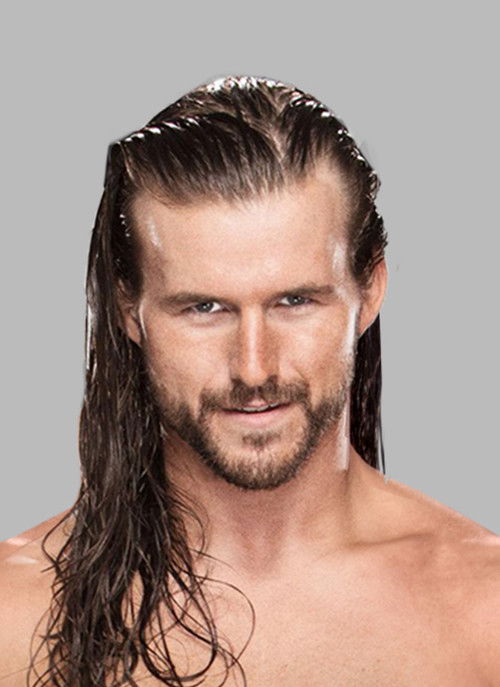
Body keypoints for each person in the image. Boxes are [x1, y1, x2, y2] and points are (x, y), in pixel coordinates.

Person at [0, 76, 498, 687]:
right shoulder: (13, 618)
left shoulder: (483, 611)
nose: (254, 368)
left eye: (295, 301)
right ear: (129, 308)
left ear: (370, 290)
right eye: (204, 308)